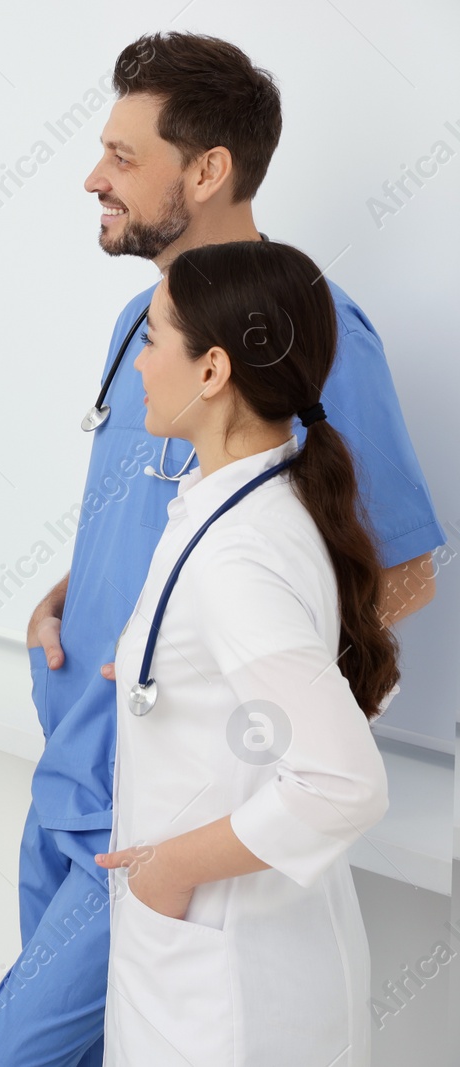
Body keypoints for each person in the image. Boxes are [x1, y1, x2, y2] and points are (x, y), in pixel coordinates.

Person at [0, 32, 442, 1067]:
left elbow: (398, 573)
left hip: (151, 819)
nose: (93, 176)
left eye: (124, 157)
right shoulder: (144, 326)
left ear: (208, 170)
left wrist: (244, 758)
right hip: (68, 778)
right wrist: (67, 596)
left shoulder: (310, 334)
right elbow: (153, 518)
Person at [95, 239, 392, 1064]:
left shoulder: (238, 554)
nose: (139, 366)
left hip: (226, 980)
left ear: (213, 370)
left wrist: (168, 872)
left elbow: (343, 782)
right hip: (242, 959)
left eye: (153, 341)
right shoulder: (257, 492)